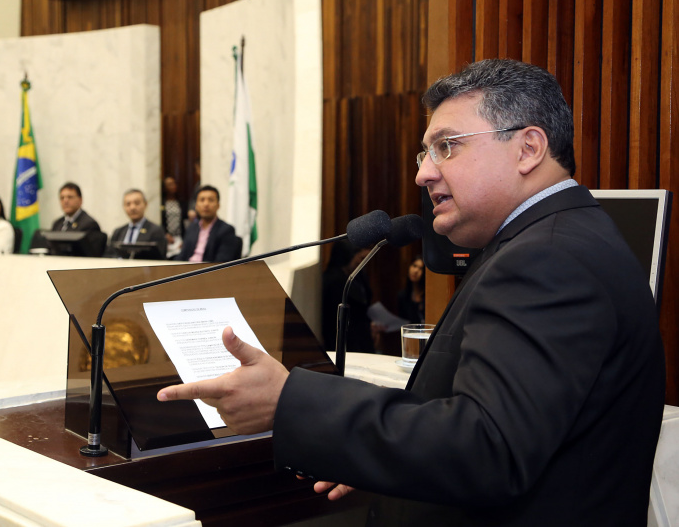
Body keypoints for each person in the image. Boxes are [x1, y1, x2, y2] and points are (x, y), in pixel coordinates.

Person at [157, 59, 664, 525]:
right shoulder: (554, 239)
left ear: (528, 148)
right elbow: (486, 426)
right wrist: (374, 456)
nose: (423, 173)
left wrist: (288, 400)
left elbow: (487, 449)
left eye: (448, 146)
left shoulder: (546, 258)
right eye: (425, 151)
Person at [320, 239, 375, 353]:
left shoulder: (358, 275)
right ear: (347, 256)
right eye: (360, 259)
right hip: (345, 342)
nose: (362, 263)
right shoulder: (333, 280)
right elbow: (333, 320)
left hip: (362, 338)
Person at [174, 185, 241, 263]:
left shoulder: (226, 230)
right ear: (196, 206)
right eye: (202, 200)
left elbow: (222, 262)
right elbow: (182, 256)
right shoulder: (191, 228)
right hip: (187, 269)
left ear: (218, 205)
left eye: (211, 200)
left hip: (209, 269)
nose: (206, 204)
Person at [106, 189, 167, 259]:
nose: (132, 207)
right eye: (128, 204)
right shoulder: (118, 232)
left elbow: (159, 257)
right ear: (124, 207)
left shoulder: (156, 230)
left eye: (137, 203)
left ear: (145, 204)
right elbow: (108, 255)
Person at [397, 255, 425, 324]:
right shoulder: (403, 295)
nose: (416, 271)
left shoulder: (429, 296)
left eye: (421, 268)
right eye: (414, 266)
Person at [161, 176, 184, 257]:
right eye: (170, 184)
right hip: (167, 238)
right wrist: (165, 234)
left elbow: (184, 221)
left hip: (179, 237)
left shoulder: (180, 202)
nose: (173, 186)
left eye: (174, 183)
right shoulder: (161, 203)